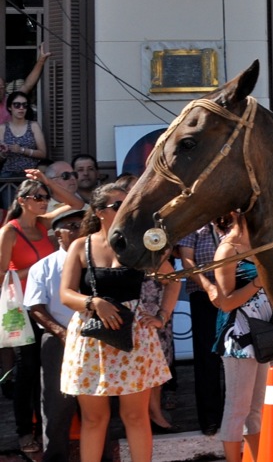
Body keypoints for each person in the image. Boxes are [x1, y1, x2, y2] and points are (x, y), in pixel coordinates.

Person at [59, 181, 179, 462]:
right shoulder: (80, 246)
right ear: (100, 212)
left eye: (128, 204)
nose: (127, 209)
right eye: (118, 205)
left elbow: (172, 279)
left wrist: (162, 316)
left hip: (134, 337)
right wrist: (94, 303)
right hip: (92, 338)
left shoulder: (138, 246)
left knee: (136, 416)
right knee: (93, 418)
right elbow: (65, 294)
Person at [1, 178, 59, 454]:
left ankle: (47, 427)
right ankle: (25, 430)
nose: (43, 200)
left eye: (45, 196)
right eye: (37, 196)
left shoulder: (44, 224)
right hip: (22, 308)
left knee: (48, 367)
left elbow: (75, 204)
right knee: (27, 370)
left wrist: (47, 181)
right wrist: (36, 268)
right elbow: (1, 276)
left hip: (47, 305)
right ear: (21, 200)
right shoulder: (9, 232)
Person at [21, 206, 84, 462]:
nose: (78, 229)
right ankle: (55, 457)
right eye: (71, 226)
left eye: (81, 224)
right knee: (56, 406)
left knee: (99, 403)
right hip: (57, 340)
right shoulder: (42, 267)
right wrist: (60, 332)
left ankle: (103, 455)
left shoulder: (94, 260)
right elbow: (35, 307)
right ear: (57, 234)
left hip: (94, 340)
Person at [211, 210, 273, 462]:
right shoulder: (227, 250)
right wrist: (258, 283)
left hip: (263, 336)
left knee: (255, 412)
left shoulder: (260, 242)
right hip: (238, 337)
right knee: (237, 410)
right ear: (238, 214)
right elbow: (225, 303)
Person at [176, 223, 226, 436]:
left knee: (242, 357)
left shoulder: (233, 221)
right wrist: (209, 287)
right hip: (204, 296)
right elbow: (187, 260)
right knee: (207, 359)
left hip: (238, 293)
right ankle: (211, 419)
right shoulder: (195, 226)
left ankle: (240, 415)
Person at [1, 91, 47, 182]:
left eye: (24, 105)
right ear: (10, 107)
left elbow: (43, 153)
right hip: (8, 175)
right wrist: (3, 153)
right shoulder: (2, 128)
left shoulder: (33, 126)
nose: (21, 108)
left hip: (30, 174)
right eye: (17, 105)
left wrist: (22, 150)